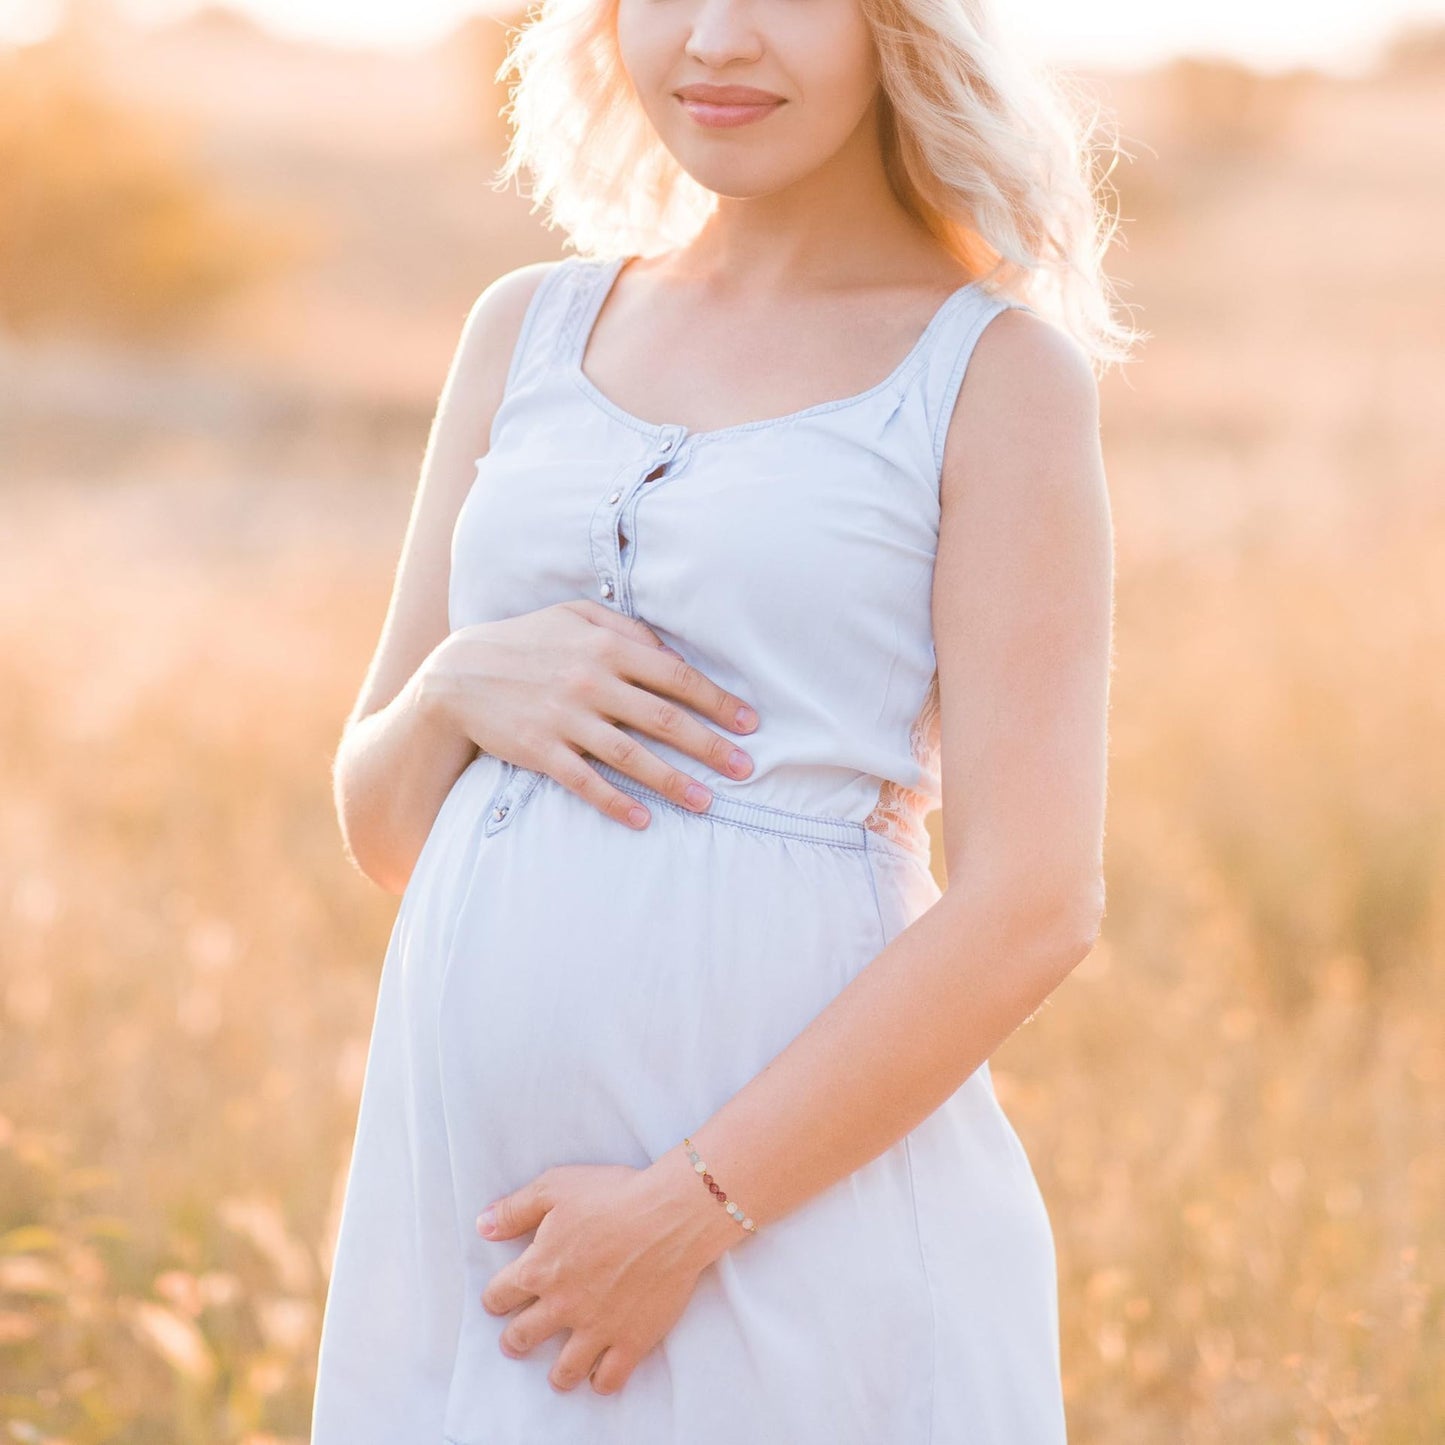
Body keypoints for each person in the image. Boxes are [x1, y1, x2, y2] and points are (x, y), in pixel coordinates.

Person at [310, 0, 1133, 1440]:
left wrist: (680, 1212)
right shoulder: (525, 328)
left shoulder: (990, 376)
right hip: (480, 1240)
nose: (714, 41)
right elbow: (381, 829)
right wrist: (455, 687)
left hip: (786, 1234)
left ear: (901, 28)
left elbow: (1034, 902)